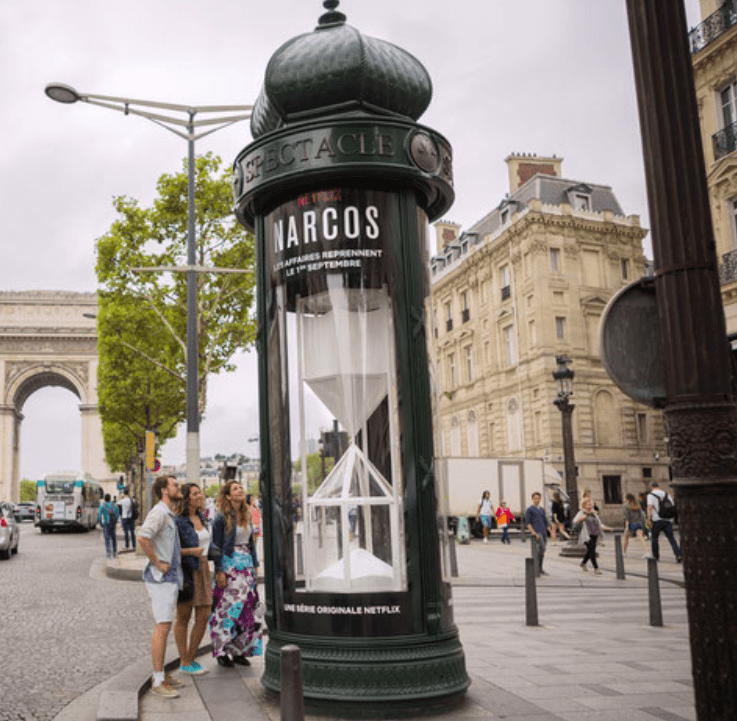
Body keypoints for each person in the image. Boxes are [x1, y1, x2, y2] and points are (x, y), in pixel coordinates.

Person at [137, 475, 185, 698]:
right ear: (165, 490)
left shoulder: (167, 513)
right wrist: (157, 562)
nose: (178, 487)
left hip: (168, 577)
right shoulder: (159, 513)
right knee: (162, 626)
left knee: (164, 626)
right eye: (174, 484)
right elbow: (143, 537)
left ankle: (162, 674)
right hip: (161, 578)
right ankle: (158, 680)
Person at [209, 481, 263, 667]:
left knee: (248, 610)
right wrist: (219, 571)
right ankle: (222, 650)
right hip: (230, 566)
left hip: (246, 566)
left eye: (240, 488)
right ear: (228, 496)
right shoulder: (220, 518)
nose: (240, 490)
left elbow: (251, 544)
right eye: (235, 489)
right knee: (227, 610)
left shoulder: (246, 515)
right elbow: (215, 546)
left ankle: (240, 650)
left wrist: (255, 565)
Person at [174, 483, 213, 676]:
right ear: (187, 498)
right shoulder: (179, 521)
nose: (200, 496)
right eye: (196, 493)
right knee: (183, 616)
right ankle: (185, 660)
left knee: (204, 614)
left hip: (203, 568)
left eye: (200, 492)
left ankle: (189, 657)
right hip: (187, 569)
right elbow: (169, 551)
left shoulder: (202, 517)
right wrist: (191, 551)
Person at [574, 497, 613, 574]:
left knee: (590, 551)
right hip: (586, 536)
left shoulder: (594, 514)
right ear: (584, 505)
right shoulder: (581, 513)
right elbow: (575, 521)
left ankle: (583, 563)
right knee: (592, 551)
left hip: (594, 534)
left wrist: (608, 528)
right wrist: (583, 518)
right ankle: (596, 568)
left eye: (590, 504)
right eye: (588, 504)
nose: (590, 505)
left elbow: (599, 524)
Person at [646, 481, 682, 563]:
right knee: (671, 538)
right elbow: (672, 506)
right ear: (658, 486)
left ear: (651, 486)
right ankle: (678, 554)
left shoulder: (651, 495)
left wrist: (649, 519)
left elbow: (650, 508)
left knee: (654, 538)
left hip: (657, 519)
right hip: (668, 520)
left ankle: (656, 556)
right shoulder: (666, 494)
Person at [524, 492, 552, 575]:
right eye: (535, 498)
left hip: (543, 532)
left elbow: (545, 521)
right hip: (537, 532)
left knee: (542, 551)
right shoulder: (530, 509)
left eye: (538, 498)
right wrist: (533, 532)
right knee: (541, 549)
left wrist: (548, 528)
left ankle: (540, 567)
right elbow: (528, 522)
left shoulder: (542, 509)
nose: (537, 500)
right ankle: (537, 568)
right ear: (532, 499)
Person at [97, 493, 119, 558]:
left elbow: (99, 515)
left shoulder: (102, 506)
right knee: (114, 537)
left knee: (107, 538)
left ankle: (108, 552)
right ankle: (114, 551)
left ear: (104, 498)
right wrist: (115, 522)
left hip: (106, 523)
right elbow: (117, 515)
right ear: (110, 498)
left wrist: (100, 522)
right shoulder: (114, 506)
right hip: (113, 523)